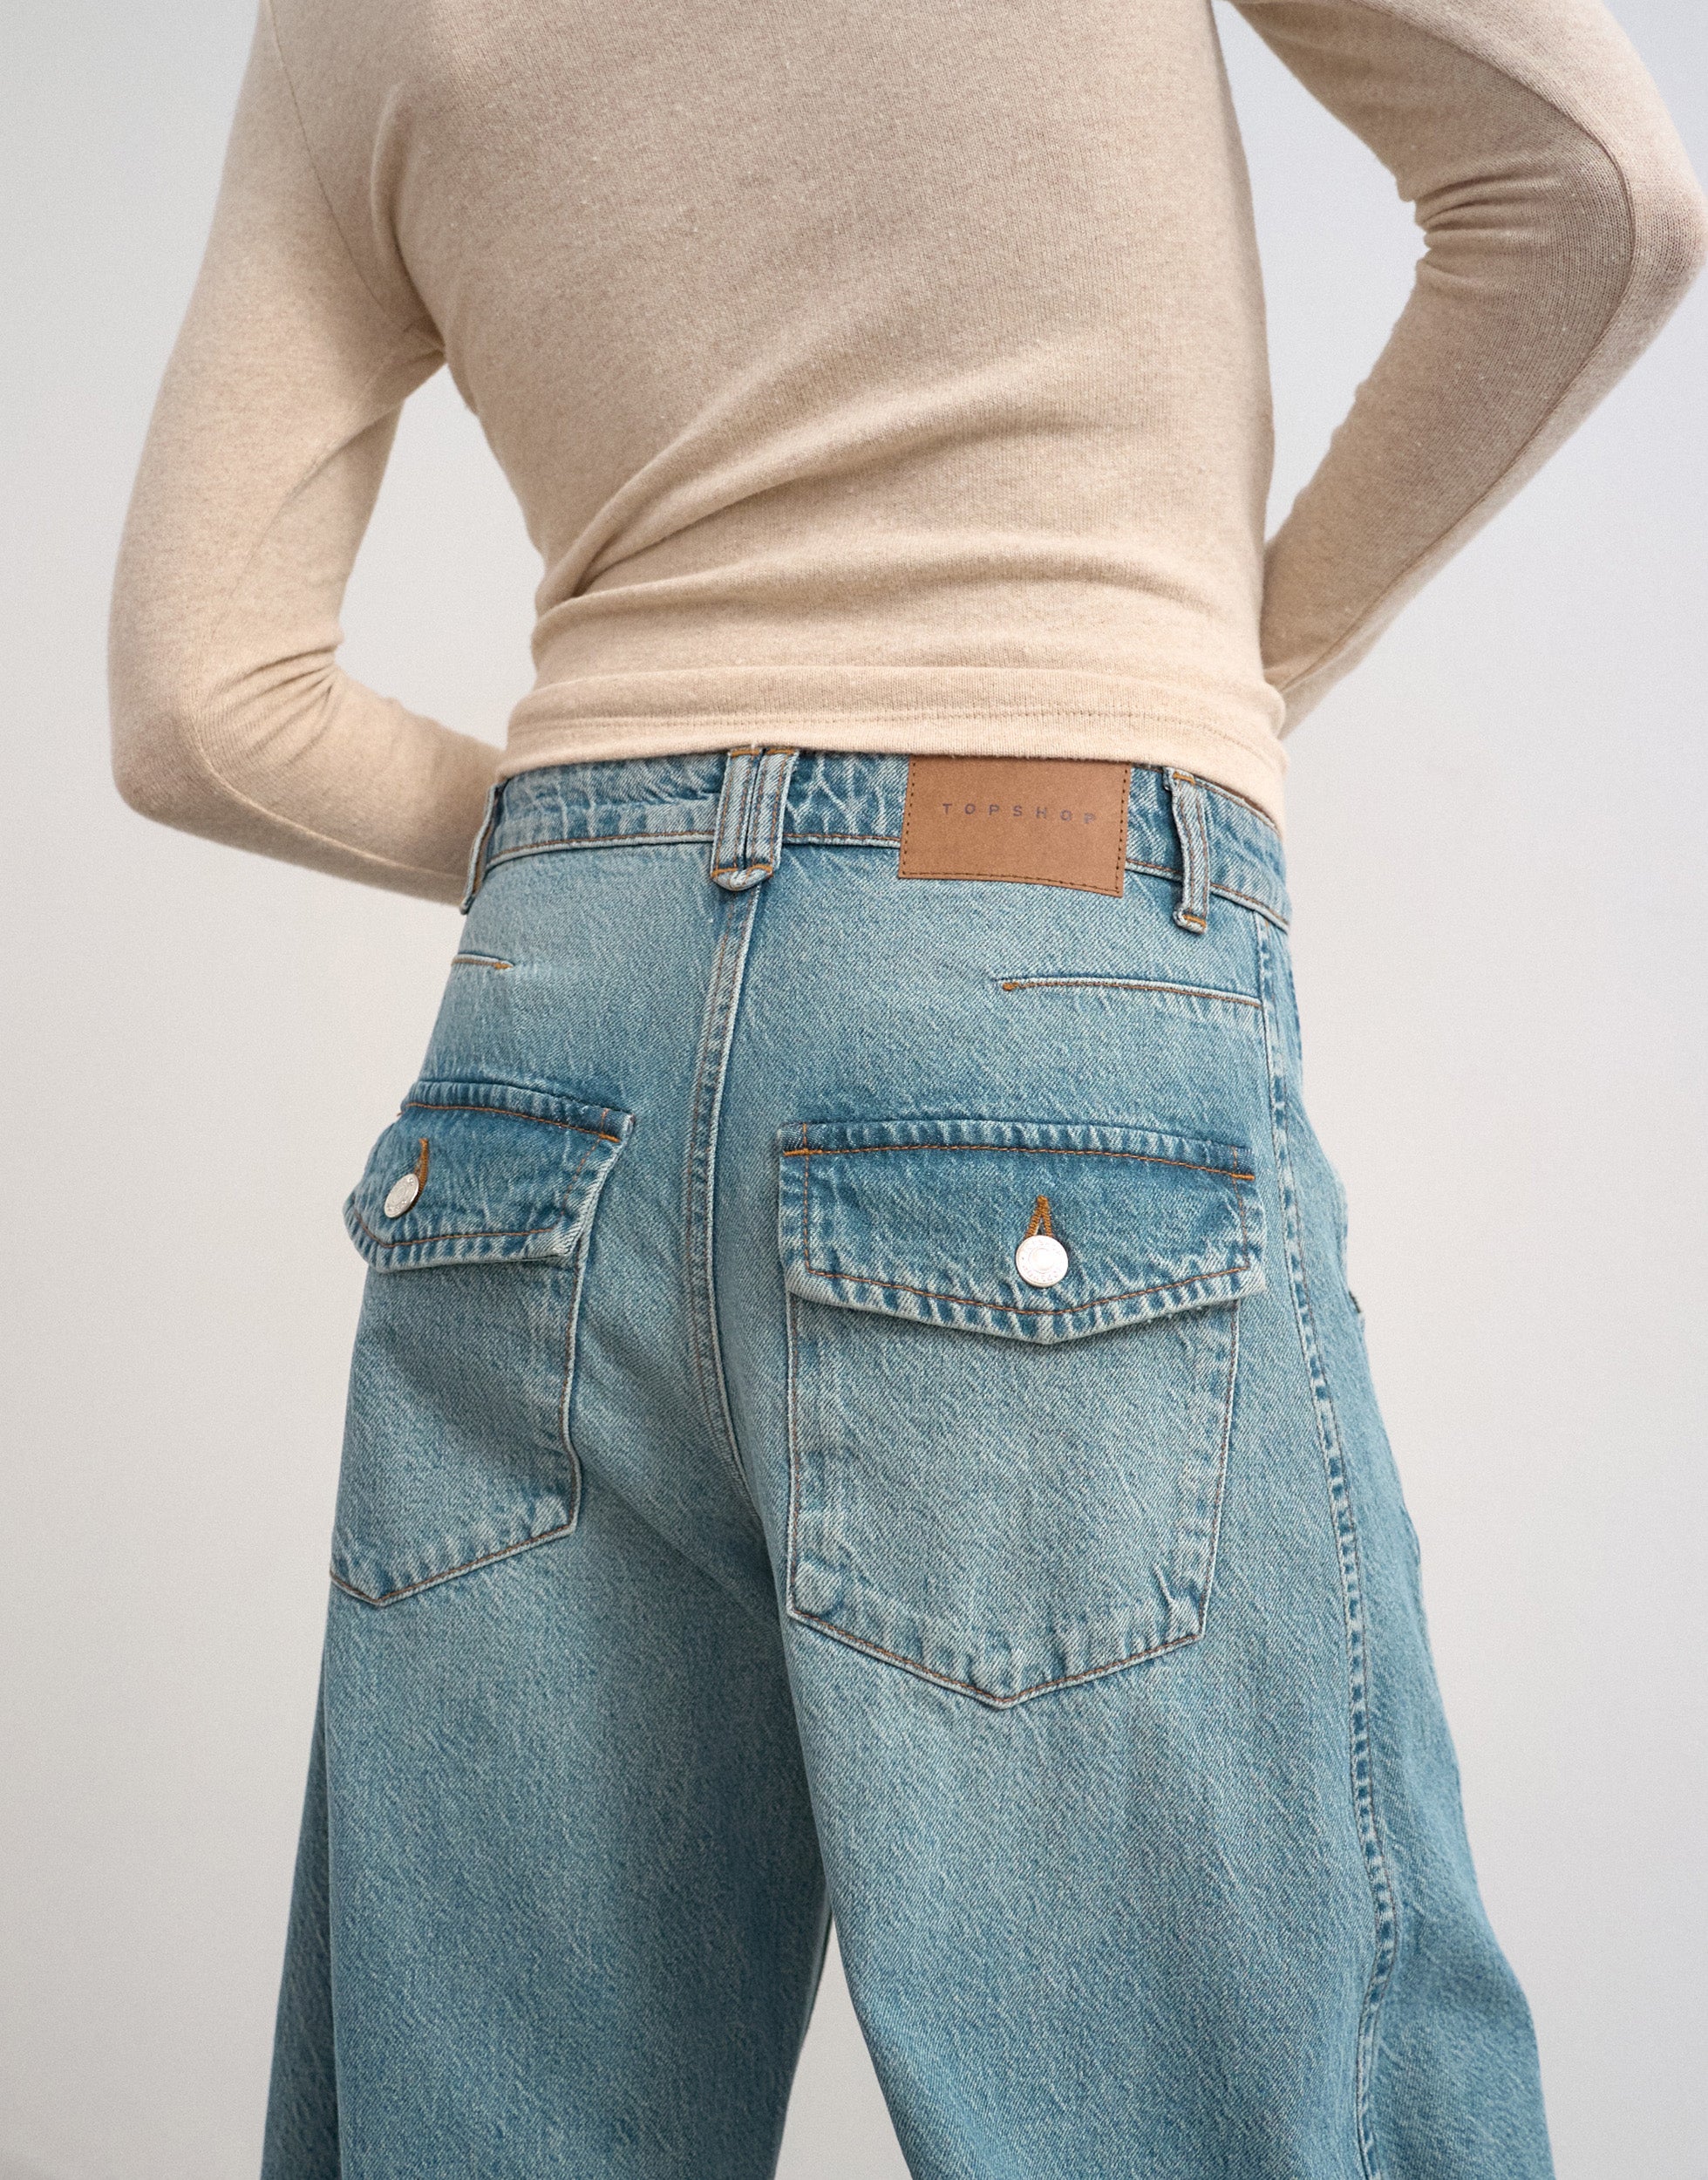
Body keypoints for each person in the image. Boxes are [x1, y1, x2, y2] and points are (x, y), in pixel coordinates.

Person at [106, 0, 1705, 2171]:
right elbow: (1593, 191)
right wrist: (1207, 686)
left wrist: (609, 837)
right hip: (1027, 946)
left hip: (541, 1054)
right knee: (1246, 2100)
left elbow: (197, 699)